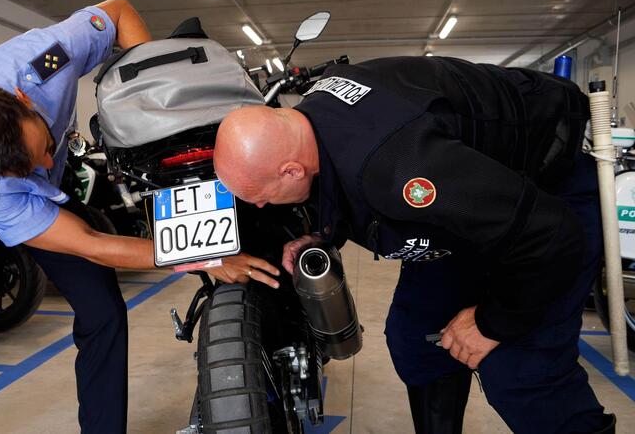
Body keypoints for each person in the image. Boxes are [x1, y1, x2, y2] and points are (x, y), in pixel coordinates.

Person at [0, 0, 278, 434]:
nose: (46, 161)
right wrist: (207, 257)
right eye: (30, 165)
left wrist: (159, 95)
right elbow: (95, 245)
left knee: (103, 314)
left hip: (42, 197)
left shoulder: (48, 60)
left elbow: (118, 12)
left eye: (43, 146)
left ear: (24, 98)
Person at [213, 56, 616, 434]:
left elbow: (550, 234)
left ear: (291, 169)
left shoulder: (400, 168)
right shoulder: (309, 120)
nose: (260, 205)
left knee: (519, 370)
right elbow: (336, 179)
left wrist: (490, 323)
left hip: (548, 201)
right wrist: (321, 234)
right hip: (472, 206)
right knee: (416, 340)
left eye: (260, 195)